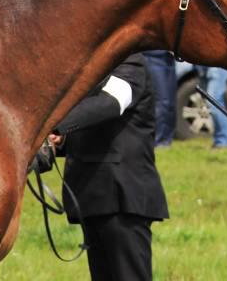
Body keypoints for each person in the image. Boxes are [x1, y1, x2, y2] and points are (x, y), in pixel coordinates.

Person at [50, 53, 168, 280]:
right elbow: (87, 125)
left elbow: (110, 103)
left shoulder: (131, 64)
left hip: (122, 198)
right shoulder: (88, 66)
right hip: (92, 198)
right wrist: (62, 140)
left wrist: (56, 125)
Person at [142, 50, 178, 147]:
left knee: (170, 104)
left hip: (168, 57)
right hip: (154, 57)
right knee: (163, 102)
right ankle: (159, 141)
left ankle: (166, 140)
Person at [195, 65, 227, 148]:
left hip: (217, 63)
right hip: (202, 63)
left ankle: (223, 142)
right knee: (212, 100)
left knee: (213, 100)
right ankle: (219, 140)